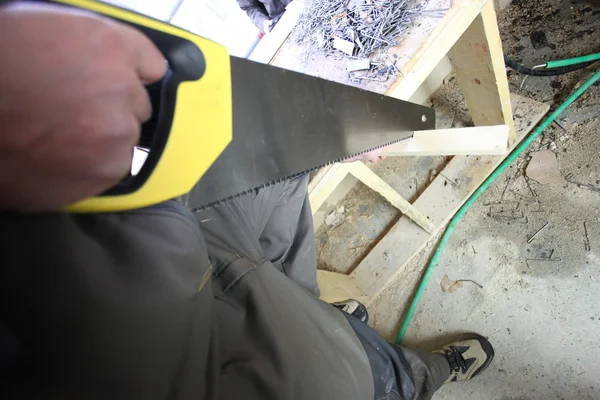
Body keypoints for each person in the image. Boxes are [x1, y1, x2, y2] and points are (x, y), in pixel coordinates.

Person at [0, 2, 495, 399]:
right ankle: (429, 374)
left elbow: (264, 163)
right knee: (387, 377)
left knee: (278, 198)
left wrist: (337, 136)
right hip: (298, 375)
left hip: (221, 264)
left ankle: (323, 316)